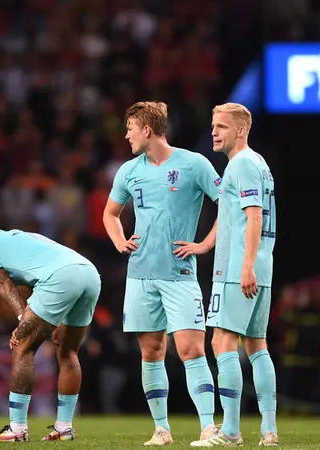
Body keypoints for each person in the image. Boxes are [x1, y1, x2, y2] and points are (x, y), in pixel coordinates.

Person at [102, 101, 221, 445]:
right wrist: (119, 241)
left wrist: (205, 244)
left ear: (147, 129)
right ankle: (161, 429)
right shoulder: (128, 171)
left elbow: (228, 202)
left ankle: (208, 427)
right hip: (140, 275)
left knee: (191, 350)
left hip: (179, 274)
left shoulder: (193, 163)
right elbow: (110, 214)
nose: (126, 135)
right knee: (151, 352)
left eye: (130, 128)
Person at [0, 229, 101, 443]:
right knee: (67, 351)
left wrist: (22, 320)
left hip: (61, 277)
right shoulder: (18, 240)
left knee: (22, 347)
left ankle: (17, 429)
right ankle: (64, 428)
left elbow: (2, 281)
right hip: (89, 273)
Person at [199, 103, 279, 446]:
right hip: (262, 265)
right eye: (214, 126)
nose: (215, 132)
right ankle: (269, 430)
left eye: (222, 127)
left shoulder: (242, 163)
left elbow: (254, 217)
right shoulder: (257, 163)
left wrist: (245, 266)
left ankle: (230, 431)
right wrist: (205, 245)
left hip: (239, 268)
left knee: (222, 341)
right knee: (257, 344)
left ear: (241, 130)